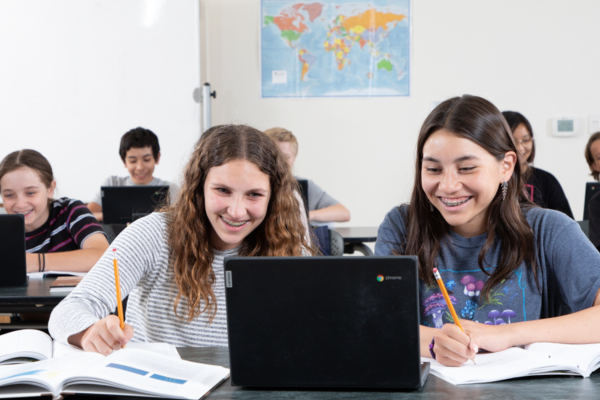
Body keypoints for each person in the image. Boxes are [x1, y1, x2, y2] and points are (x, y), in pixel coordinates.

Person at [375, 95, 600, 367]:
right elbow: (380, 321)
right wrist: (435, 342)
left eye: (466, 168)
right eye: (433, 169)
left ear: (506, 166)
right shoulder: (401, 225)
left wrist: (504, 334)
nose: (447, 185)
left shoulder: (549, 229)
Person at [49, 125, 316, 354]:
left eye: (254, 195)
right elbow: (68, 310)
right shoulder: (152, 235)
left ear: (273, 197)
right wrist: (88, 332)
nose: (236, 211)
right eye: (222, 190)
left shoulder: (289, 248)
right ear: (199, 187)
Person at [0, 149, 109, 273]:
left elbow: (103, 256)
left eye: (30, 193)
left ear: (50, 189)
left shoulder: (70, 211)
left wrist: (36, 262)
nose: (20, 204)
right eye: (9, 195)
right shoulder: (4, 232)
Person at [264, 127, 350, 224]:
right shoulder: (255, 185)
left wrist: (306, 215)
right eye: (274, 155)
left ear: (294, 158)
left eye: (286, 157)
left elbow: (344, 213)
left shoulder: (303, 186)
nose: (279, 162)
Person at [87, 127, 173, 222]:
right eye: (133, 161)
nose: (140, 167)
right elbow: (86, 216)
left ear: (157, 158)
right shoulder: (112, 183)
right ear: (124, 161)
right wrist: (113, 216)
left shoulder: (170, 189)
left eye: (146, 160)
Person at [502, 111, 573, 219]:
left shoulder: (547, 181)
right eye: (512, 141)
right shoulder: (490, 180)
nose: (520, 148)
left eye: (525, 140)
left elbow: (567, 223)